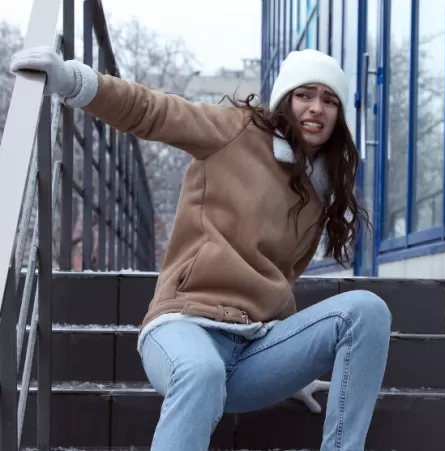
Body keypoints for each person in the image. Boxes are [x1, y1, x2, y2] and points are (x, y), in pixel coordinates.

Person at [10, 46, 391, 451]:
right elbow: (153, 111)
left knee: (368, 310)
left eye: (330, 100)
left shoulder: (318, 187)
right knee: (203, 370)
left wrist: (294, 367)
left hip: (253, 349)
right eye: (305, 95)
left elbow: (281, 278)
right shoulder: (235, 132)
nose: (317, 108)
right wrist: (74, 82)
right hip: (183, 328)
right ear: (284, 100)